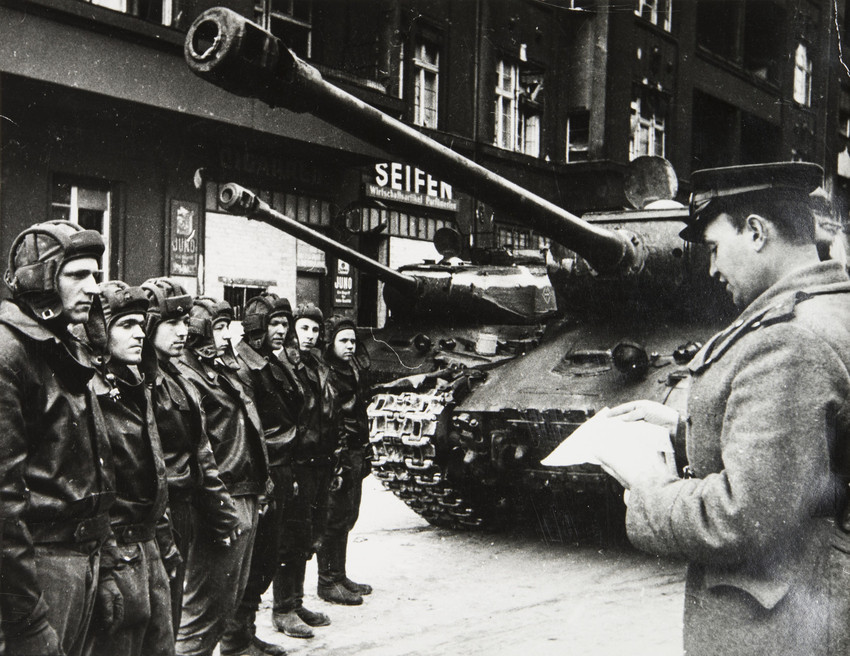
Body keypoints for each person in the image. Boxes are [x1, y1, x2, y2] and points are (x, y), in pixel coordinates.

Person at [592, 162, 850, 656]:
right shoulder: (826, 307)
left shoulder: (788, 340)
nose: (711, 269)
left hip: (779, 629)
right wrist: (683, 429)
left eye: (714, 248)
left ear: (755, 232)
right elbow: (805, 452)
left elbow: (743, 516)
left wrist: (647, 495)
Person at [0, 221, 118, 656]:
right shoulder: (10, 353)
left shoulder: (66, 345)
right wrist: (26, 618)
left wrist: (105, 568)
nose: (93, 288)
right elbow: (3, 500)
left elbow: (95, 467)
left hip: (80, 559)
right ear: (42, 280)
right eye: (77, 275)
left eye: (95, 275)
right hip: (39, 569)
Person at [141, 278, 240, 634]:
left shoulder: (177, 377)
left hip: (183, 510)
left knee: (171, 616)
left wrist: (222, 512)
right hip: (155, 517)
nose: (182, 331)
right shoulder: (140, 382)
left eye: (185, 322)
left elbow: (201, 453)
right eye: (172, 323)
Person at [85, 280, 178, 656]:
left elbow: (154, 471)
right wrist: (107, 565)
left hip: (148, 548)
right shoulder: (88, 395)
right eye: (126, 325)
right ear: (98, 333)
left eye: (141, 324)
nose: (140, 333)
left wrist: (164, 541)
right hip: (115, 553)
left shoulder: (138, 385)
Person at [175, 298, 270, 656]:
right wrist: (219, 506)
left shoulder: (220, 368)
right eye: (218, 327)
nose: (227, 335)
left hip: (244, 489)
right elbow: (199, 452)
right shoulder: (189, 376)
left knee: (227, 601)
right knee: (202, 610)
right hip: (222, 497)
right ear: (198, 332)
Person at [220, 293, 297, 656]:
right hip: (260, 472)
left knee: (266, 558)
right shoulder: (244, 366)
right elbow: (250, 430)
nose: (281, 330)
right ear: (256, 329)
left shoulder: (271, 361)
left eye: (284, 324)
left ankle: (246, 633)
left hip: (279, 468)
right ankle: (235, 641)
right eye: (274, 324)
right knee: (251, 562)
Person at [272, 302, 338, 639]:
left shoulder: (317, 365)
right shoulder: (284, 366)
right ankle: (283, 608)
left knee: (309, 536)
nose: (310, 335)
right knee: (290, 537)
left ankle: (296, 602)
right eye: (304, 328)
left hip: (320, 463)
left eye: (315, 329)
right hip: (298, 463)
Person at [316, 315, 373, 605]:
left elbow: (360, 411)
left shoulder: (352, 369)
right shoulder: (326, 372)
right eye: (343, 340)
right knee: (333, 517)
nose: (350, 346)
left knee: (348, 515)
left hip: (355, 450)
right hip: (338, 453)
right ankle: (327, 581)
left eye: (353, 340)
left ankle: (339, 575)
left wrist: (365, 448)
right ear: (331, 343)